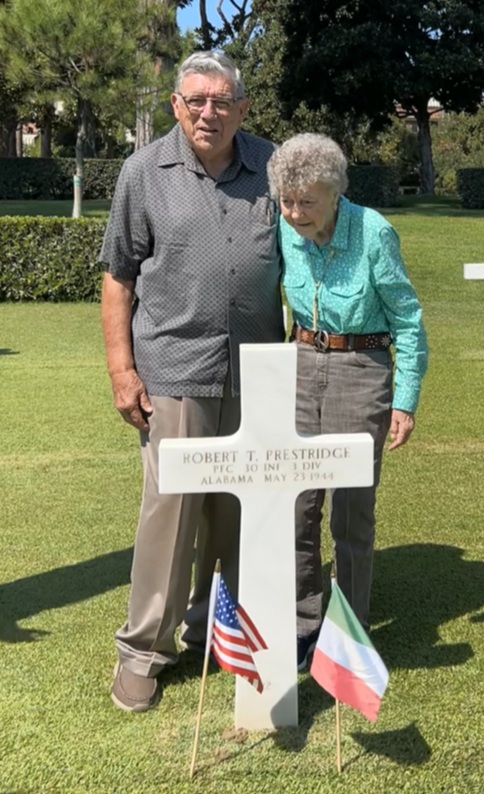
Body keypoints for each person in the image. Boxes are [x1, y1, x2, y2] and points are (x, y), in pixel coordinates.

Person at [99, 51, 284, 712]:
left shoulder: (272, 165)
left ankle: (225, 629)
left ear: (242, 105)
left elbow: (313, 245)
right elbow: (118, 276)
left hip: (259, 372)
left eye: (223, 99)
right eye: (196, 100)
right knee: (170, 516)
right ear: (177, 106)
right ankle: (145, 650)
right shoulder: (143, 172)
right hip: (173, 372)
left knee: (241, 515)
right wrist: (122, 371)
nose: (210, 111)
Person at [266, 133, 428, 670]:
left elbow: (408, 320)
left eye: (306, 202)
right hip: (300, 365)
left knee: (352, 513)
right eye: (286, 201)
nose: (293, 214)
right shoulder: (285, 228)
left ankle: (349, 634)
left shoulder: (374, 232)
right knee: (296, 505)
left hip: (362, 371)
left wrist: (403, 402)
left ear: (335, 193)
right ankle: (303, 624)